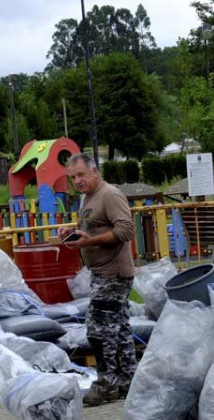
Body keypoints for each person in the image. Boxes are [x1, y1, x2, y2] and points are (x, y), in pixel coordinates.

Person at [58, 152, 136, 407]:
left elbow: (126, 230)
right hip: (101, 273)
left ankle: (107, 384)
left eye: (81, 175)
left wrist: (90, 241)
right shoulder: (88, 198)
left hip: (113, 273)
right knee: (120, 329)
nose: (77, 181)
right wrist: (73, 234)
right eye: (73, 178)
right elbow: (93, 229)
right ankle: (127, 381)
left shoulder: (110, 195)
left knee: (99, 331)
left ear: (95, 171)